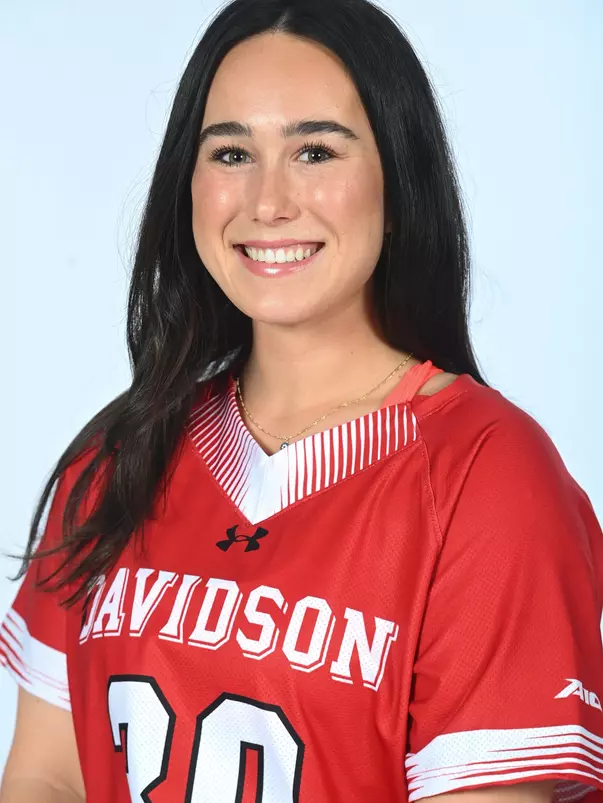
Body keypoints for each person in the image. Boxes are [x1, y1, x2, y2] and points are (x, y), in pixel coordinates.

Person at [1, 0, 602, 801]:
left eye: (315, 150)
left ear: (397, 180)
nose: (268, 201)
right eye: (230, 153)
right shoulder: (120, 454)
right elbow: (48, 775)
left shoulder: (489, 477)